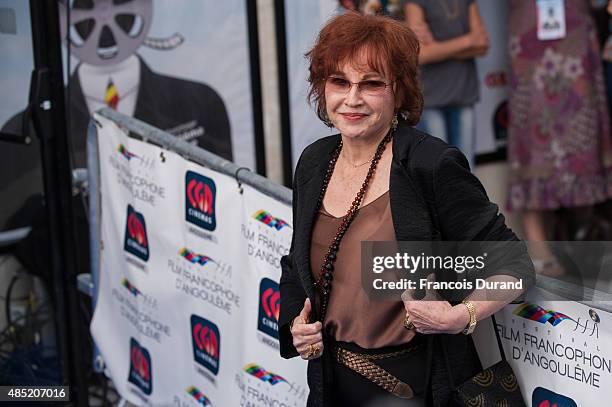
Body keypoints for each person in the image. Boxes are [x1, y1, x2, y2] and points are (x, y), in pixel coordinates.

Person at [278, 12, 534, 407]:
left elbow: (514, 264)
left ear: (399, 92)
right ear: (321, 88)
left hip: (416, 388)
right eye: (339, 82)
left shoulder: (430, 164)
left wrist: (460, 316)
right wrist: (297, 323)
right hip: (331, 385)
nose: (352, 99)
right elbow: (295, 266)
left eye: (372, 84)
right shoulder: (314, 162)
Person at [506, 0, 612, 274]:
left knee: (582, 128)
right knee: (531, 133)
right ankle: (538, 246)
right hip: (530, 29)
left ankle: (585, 238)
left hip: (575, 26)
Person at [403, 0, 489, 168]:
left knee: (466, 169)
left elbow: (482, 45)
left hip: (463, 93)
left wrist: (438, 48)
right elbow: (421, 55)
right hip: (431, 98)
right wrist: (469, 40)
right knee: (438, 168)